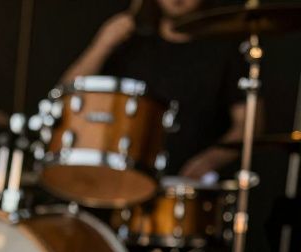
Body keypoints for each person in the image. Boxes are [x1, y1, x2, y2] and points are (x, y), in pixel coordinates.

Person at [61, 0, 249, 179]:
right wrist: (102, 45)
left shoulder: (223, 51)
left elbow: (248, 123)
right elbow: (65, 96)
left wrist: (210, 160)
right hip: (122, 180)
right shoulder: (131, 45)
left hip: (188, 187)